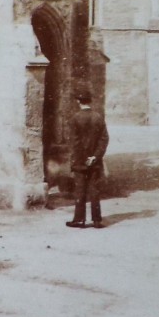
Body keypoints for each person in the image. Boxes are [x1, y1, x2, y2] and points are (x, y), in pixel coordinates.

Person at [66, 89, 108, 228]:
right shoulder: (98, 117)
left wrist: (81, 158)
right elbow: (104, 139)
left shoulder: (75, 118)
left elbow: (74, 142)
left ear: (78, 101)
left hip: (79, 161)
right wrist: (94, 157)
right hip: (94, 161)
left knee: (80, 189)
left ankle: (79, 219)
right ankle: (97, 220)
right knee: (94, 189)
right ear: (90, 101)